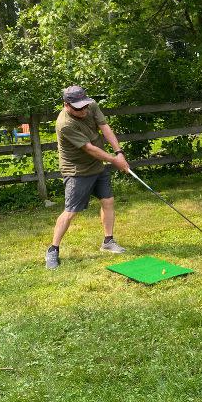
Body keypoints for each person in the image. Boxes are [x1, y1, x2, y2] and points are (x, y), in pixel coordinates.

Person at [45, 85, 130, 269]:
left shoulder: (90, 105)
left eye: (84, 106)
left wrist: (119, 152)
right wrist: (115, 161)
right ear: (66, 105)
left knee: (107, 201)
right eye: (78, 108)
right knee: (71, 212)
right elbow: (89, 149)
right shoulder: (65, 124)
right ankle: (53, 250)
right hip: (77, 170)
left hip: (98, 164)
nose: (83, 110)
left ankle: (108, 241)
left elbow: (105, 127)